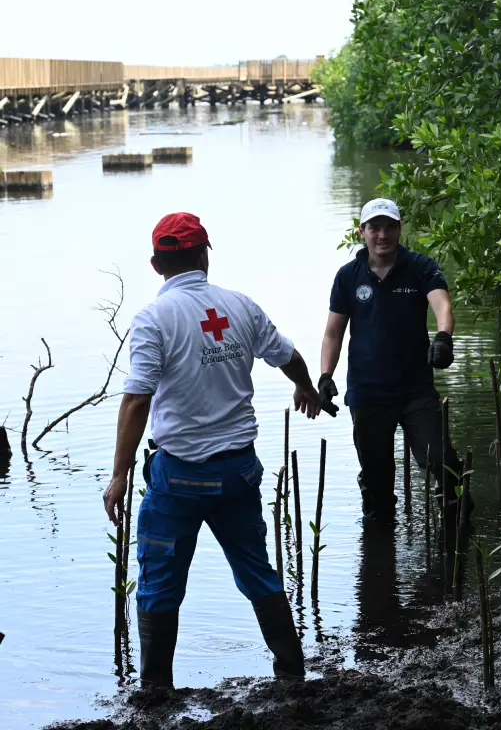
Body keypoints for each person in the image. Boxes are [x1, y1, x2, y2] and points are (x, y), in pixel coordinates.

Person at [102, 212, 321, 688]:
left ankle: (157, 690)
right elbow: (290, 357)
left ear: (156, 264)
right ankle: (291, 674)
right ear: (204, 256)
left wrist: (119, 474)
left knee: (160, 582)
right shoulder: (239, 306)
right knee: (257, 571)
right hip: (238, 473)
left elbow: (137, 399)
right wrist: (306, 388)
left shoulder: (153, 319)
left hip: (178, 477)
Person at [318, 198, 469, 521]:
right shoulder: (348, 276)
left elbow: (442, 305)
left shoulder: (421, 267)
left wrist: (443, 337)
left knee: (439, 458)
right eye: (374, 227)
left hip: (415, 389)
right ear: (362, 232)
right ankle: (378, 529)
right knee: (377, 478)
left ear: (400, 229)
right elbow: (333, 333)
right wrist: (325, 376)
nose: (382, 234)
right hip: (368, 392)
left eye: (389, 227)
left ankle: (459, 525)